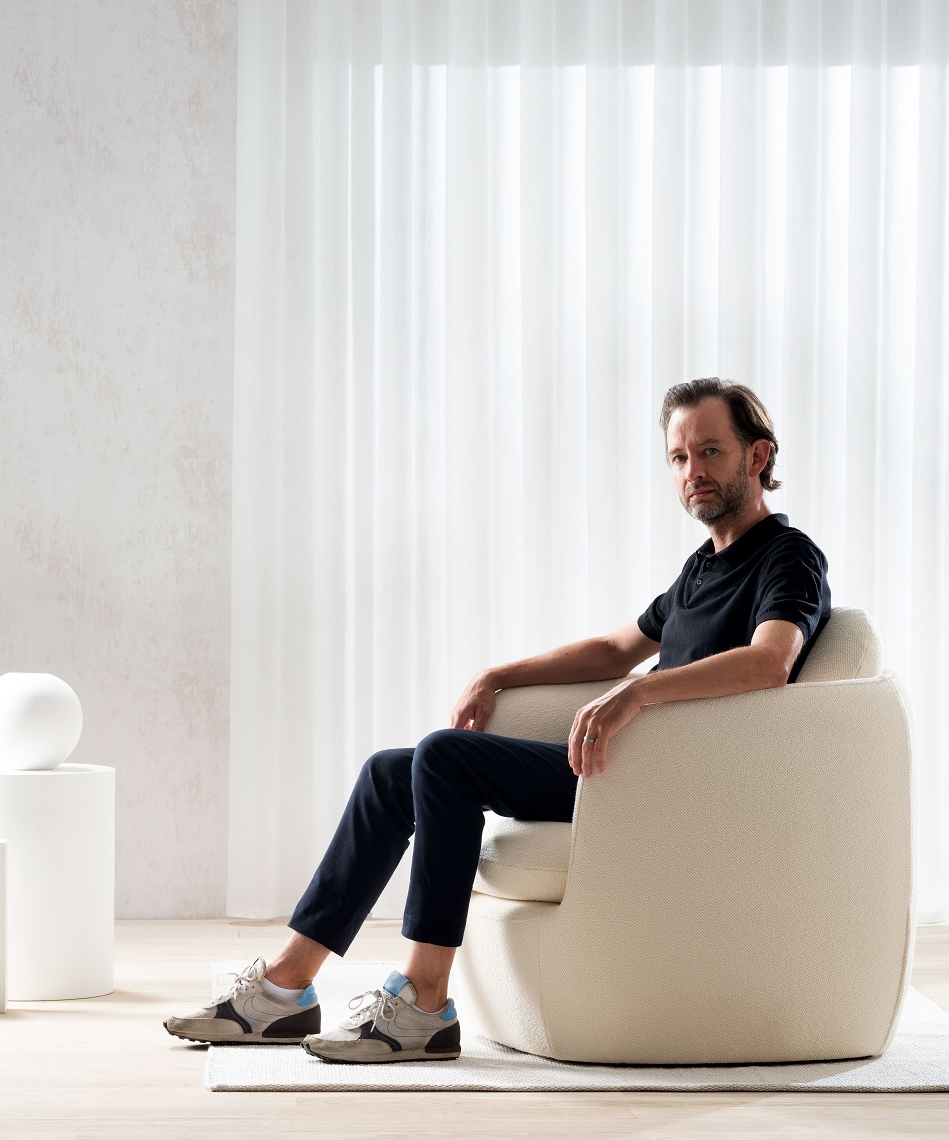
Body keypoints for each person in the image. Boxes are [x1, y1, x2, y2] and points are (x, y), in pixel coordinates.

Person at [163, 377, 832, 1064]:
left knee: (446, 758)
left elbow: (769, 661)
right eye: (678, 457)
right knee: (393, 772)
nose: (692, 472)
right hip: (625, 768)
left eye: (710, 451)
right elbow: (615, 648)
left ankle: (424, 1003)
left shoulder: (790, 557)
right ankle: (284, 989)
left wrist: (636, 697)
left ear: (758, 457)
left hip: (667, 779)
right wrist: (499, 674)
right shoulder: (701, 567)